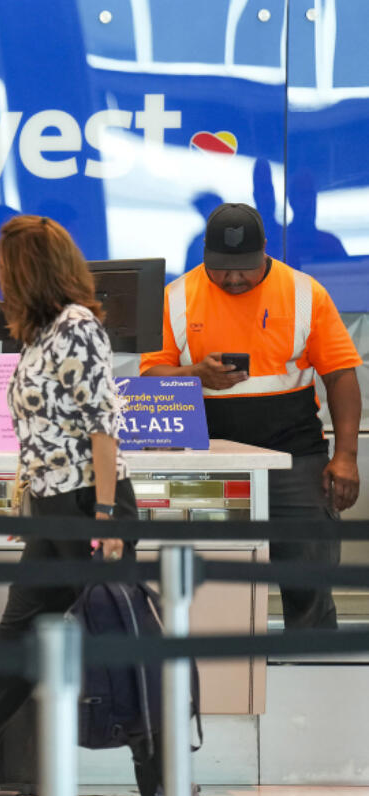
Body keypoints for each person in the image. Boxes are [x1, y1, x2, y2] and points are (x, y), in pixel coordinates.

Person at [0, 216, 202, 796]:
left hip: (88, 507)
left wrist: (101, 518)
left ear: (29, 270)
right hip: (55, 509)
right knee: (18, 639)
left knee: (122, 645)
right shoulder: (41, 334)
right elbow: (43, 433)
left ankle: (169, 790)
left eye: (4, 264)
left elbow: (103, 425)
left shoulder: (78, 328)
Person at [141, 202, 362, 630]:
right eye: (223, 268)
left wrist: (347, 456)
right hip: (204, 462)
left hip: (294, 457)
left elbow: (340, 376)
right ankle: (217, 681)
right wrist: (194, 374)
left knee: (309, 577)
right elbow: (153, 374)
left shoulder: (304, 292)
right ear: (204, 253)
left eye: (245, 266)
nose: (235, 277)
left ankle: (312, 667)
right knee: (208, 583)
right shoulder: (176, 297)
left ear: (265, 250)